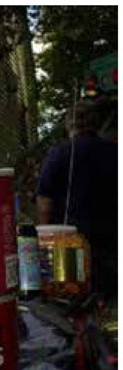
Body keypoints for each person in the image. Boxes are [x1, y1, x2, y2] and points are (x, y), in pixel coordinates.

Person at [37, 100, 118, 296]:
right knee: (108, 302)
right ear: (96, 123)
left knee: (71, 299)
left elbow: (44, 204)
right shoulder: (115, 152)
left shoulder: (58, 153)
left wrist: (41, 238)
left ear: (69, 124)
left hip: (68, 244)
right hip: (109, 243)